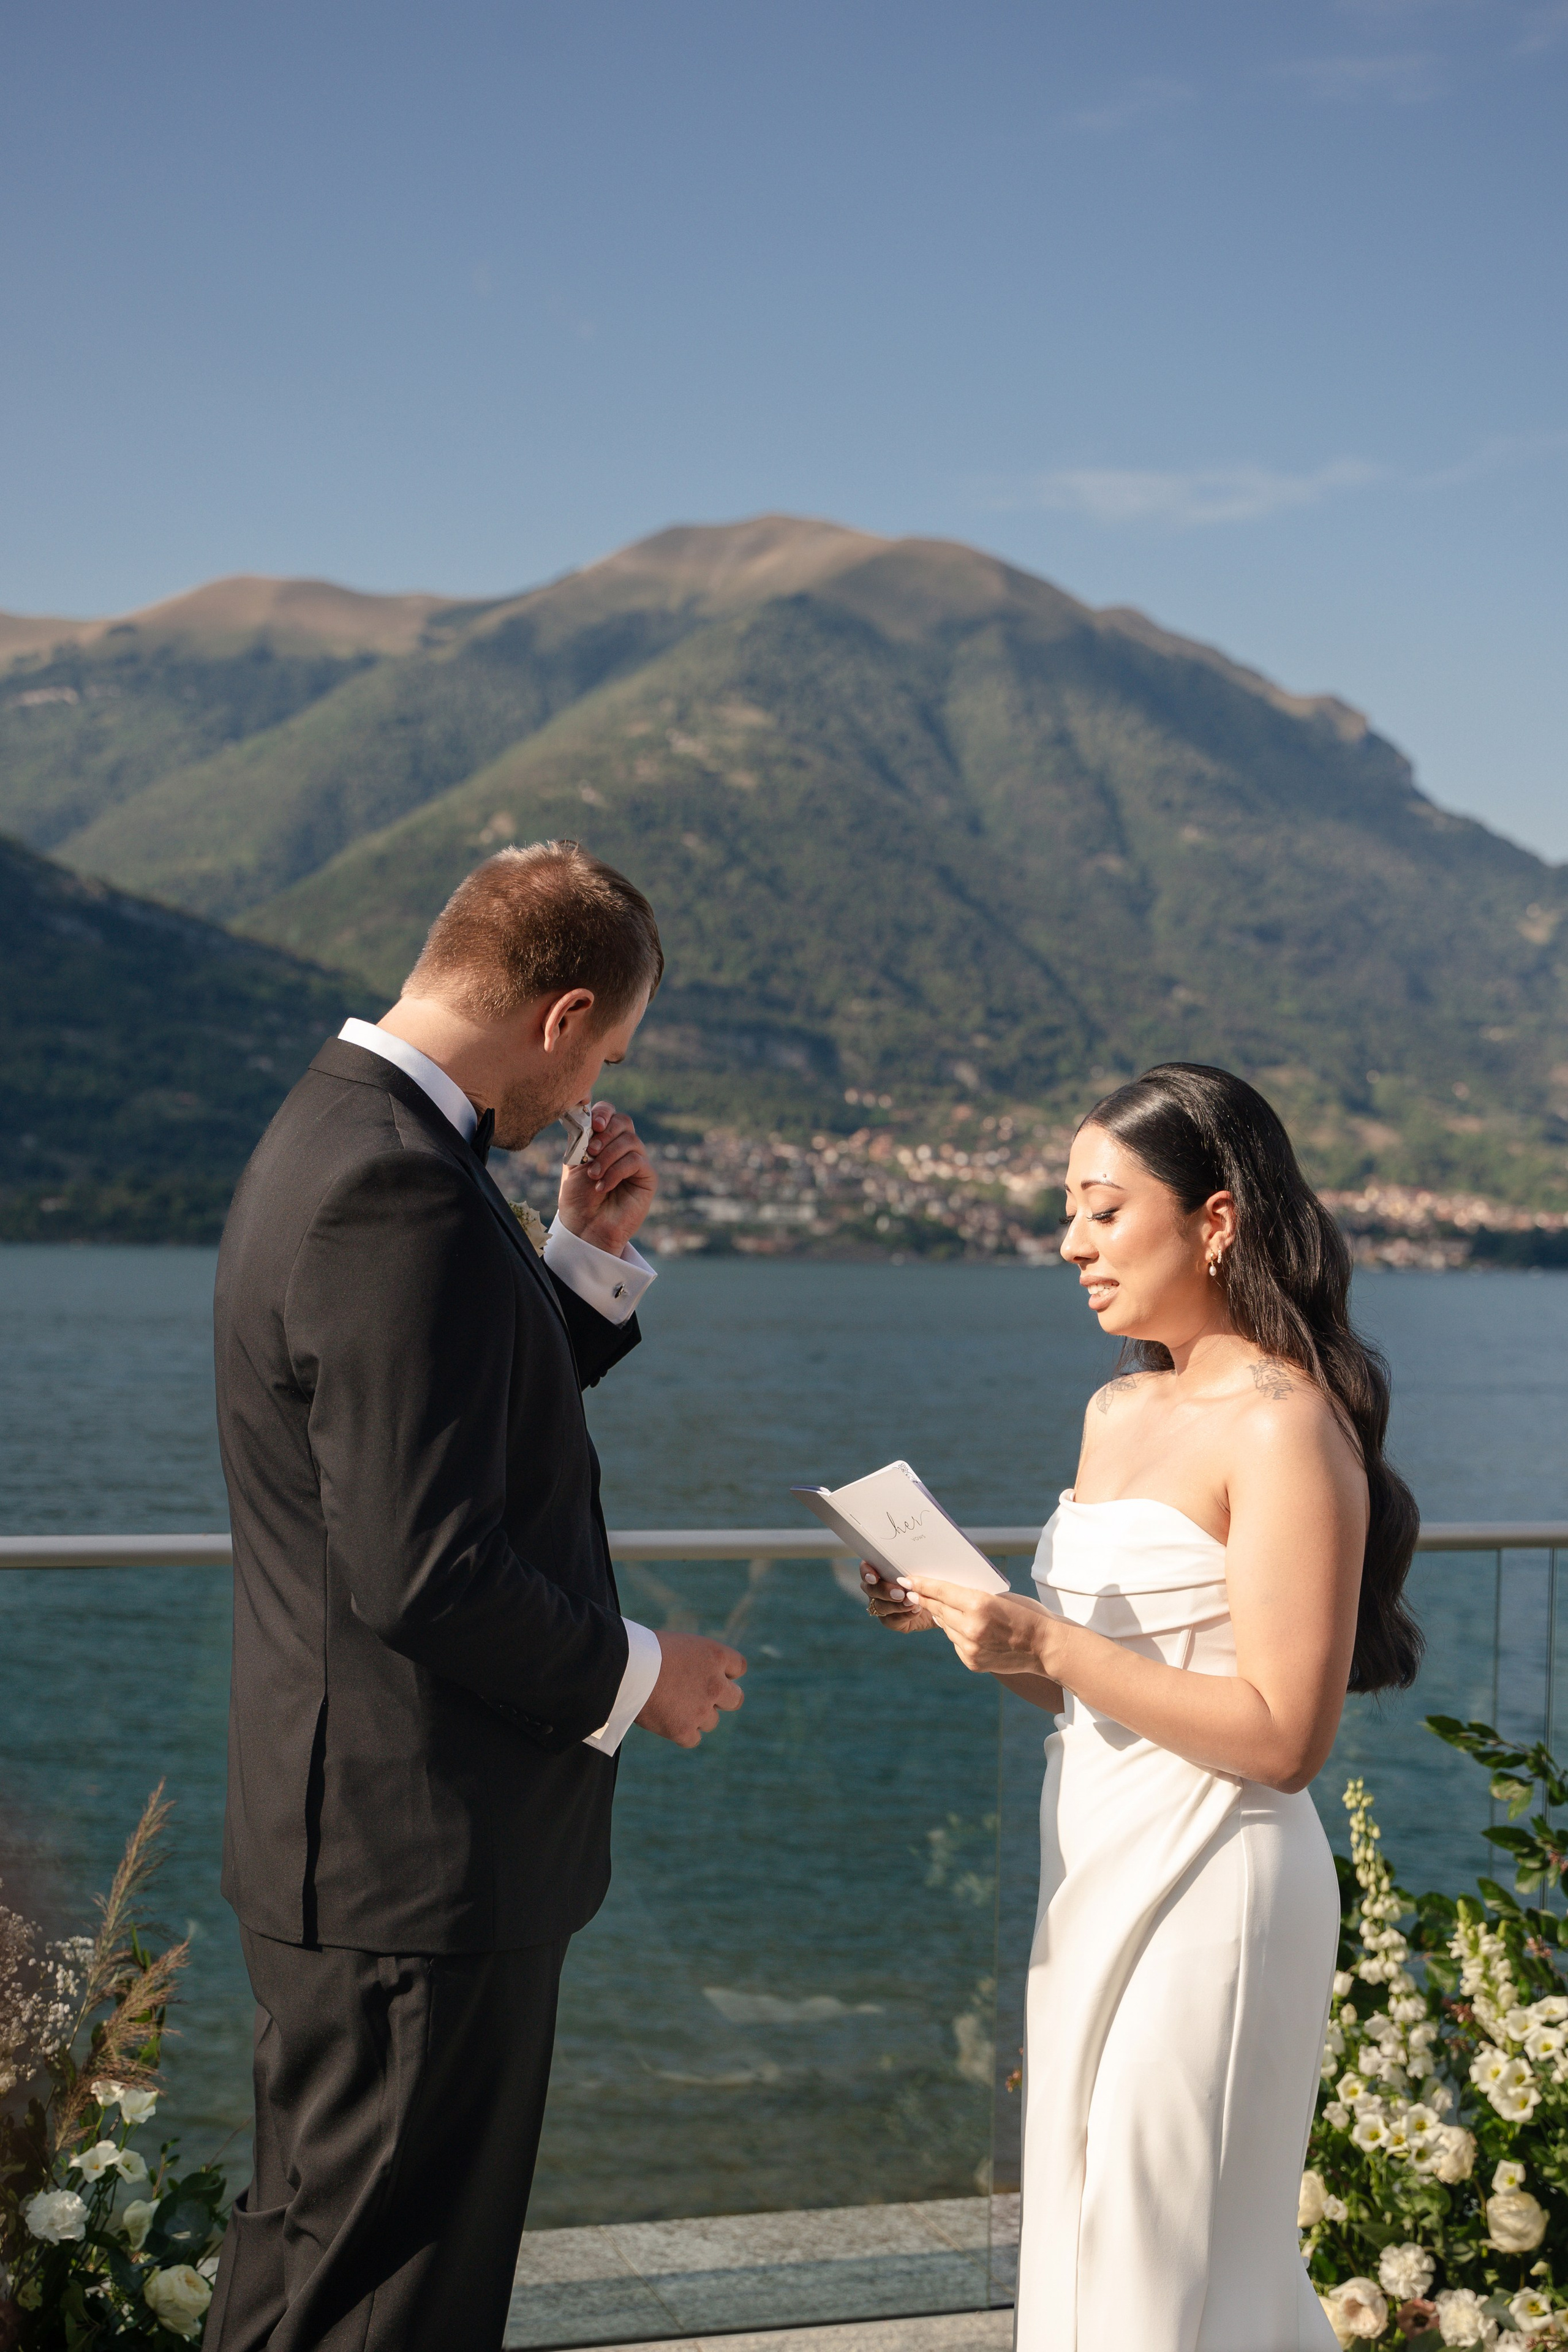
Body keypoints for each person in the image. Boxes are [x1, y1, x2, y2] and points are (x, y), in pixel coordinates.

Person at [206, 840, 747, 2352]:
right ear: (561, 1015)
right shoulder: (399, 1188)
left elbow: (430, 1427)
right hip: (414, 1863)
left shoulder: (351, 1135)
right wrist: (644, 1675)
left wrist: (578, 1260)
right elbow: (424, 1566)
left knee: (311, 2274)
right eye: (605, 1057)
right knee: (389, 2303)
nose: (588, 1095)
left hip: (363, 1852)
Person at [865, 1063, 1421, 2352]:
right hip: (1092, 1861)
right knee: (1085, 2239)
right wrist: (963, 1619)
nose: (1071, 1242)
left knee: (1161, 2257)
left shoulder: (1284, 1427)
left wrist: (1046, 1637)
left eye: (1104, 1210)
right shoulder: (1113, 1409)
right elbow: (1089, 1688)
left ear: (1215, 1220)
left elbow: (1284, 1738)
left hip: (1217, 1886)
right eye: (1070, 1208)